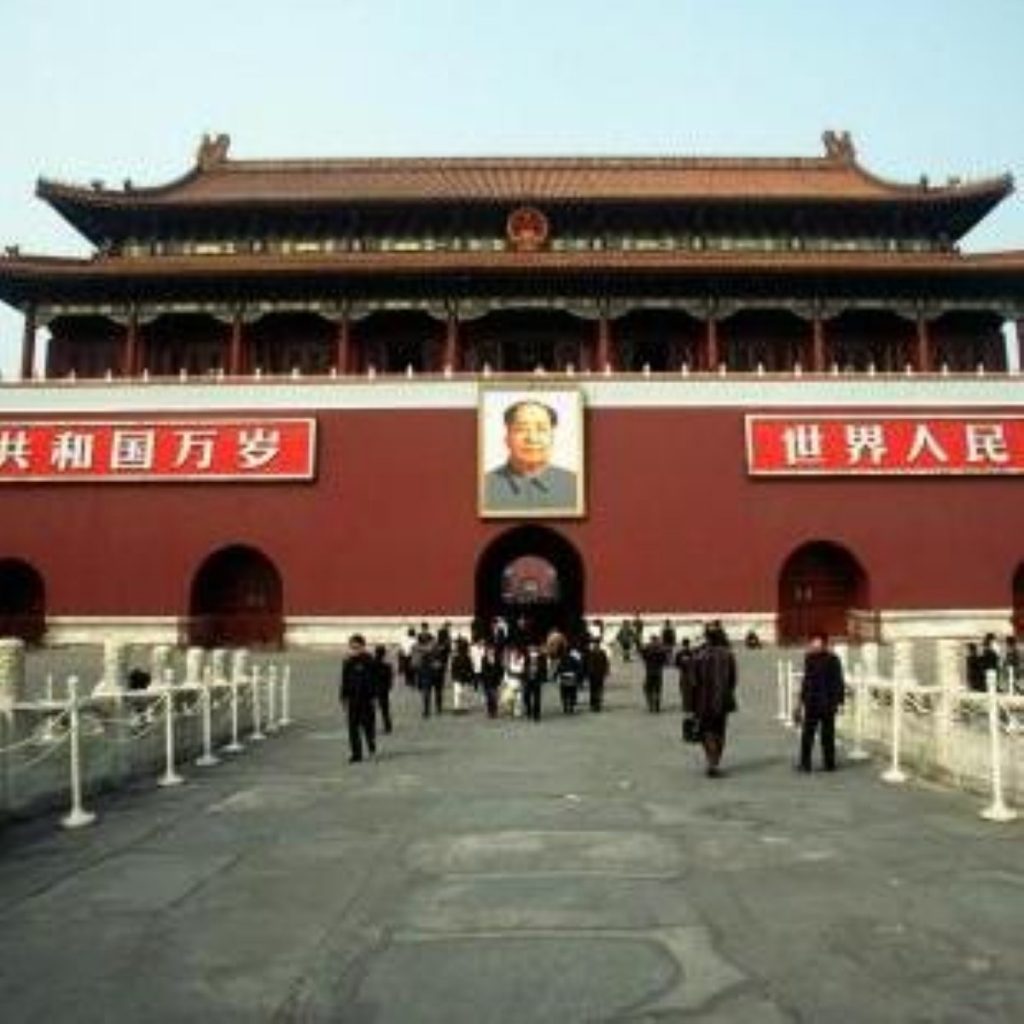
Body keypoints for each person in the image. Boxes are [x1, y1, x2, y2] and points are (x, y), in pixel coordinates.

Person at [482, 399, 578, 511]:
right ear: (507, 438)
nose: (532, 438)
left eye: (541, 429)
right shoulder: (484, 487)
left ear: (552, 438)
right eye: (521, 429)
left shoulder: (575, 485)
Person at [689, 625, 738, 777]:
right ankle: (715, 761)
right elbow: (733, 679)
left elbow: (693, 680)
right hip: (723, 699)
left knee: (705, 731)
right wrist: (726, 692)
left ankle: (711, 761)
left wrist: (692, 701)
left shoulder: (699, 655)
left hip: (704, 700)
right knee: (720, 730)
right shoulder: (728, 655)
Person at [796, 631, 844, 773]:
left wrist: (839, 702)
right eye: (813, 643)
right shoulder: (811, 659)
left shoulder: (832, 659)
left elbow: (838, 682)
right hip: (816, 702)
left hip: (822, 702)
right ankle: (811, 764)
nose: (814, 646)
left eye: (817, 643)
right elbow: (807, 681)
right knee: (811, 735)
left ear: (824, 644)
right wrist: (800, 702)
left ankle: (824, 763)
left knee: (823, 735)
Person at [340, 634, 377, 763]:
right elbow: (344, 680)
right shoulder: (347, 662)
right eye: (351, 647)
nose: (353, 650)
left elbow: (373, 680)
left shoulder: (369, 660)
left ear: (362, 646)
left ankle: (371, 745)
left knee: (368, 726)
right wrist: (343, 696)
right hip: (352, 699)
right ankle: (356, 754)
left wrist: (374, 697)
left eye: (356, 647)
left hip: (366, 699)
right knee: (352, 727)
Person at [640, 633, 667, 712]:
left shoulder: (648, 649)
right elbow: (664, 660)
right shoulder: (661, 650)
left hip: (649, 672)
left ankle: (651, 704)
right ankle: (657, 704)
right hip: (658, 672)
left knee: (648, 689)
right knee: (657, 689)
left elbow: (642, 654)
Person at [372, 644, 394, 734]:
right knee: (385, 709)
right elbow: (390, 679)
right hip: (383, 689)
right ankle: (388, 726)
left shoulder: (371, 664)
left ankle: (371, 727)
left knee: (371, 709)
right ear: (384, 654)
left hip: (373, 688)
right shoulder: (387, 666)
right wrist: (388, 687)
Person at [584, 638, 610, 711]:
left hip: (599, 674)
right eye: (595, 644)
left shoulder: (601, 653)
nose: (595, 645)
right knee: (593, 689)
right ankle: (593, 704)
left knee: (598, 689)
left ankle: (597, 704)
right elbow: (587, 663)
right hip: (593, 674)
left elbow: (606, 663)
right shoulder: (591, 653)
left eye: (597, 644)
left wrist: (606, 671)